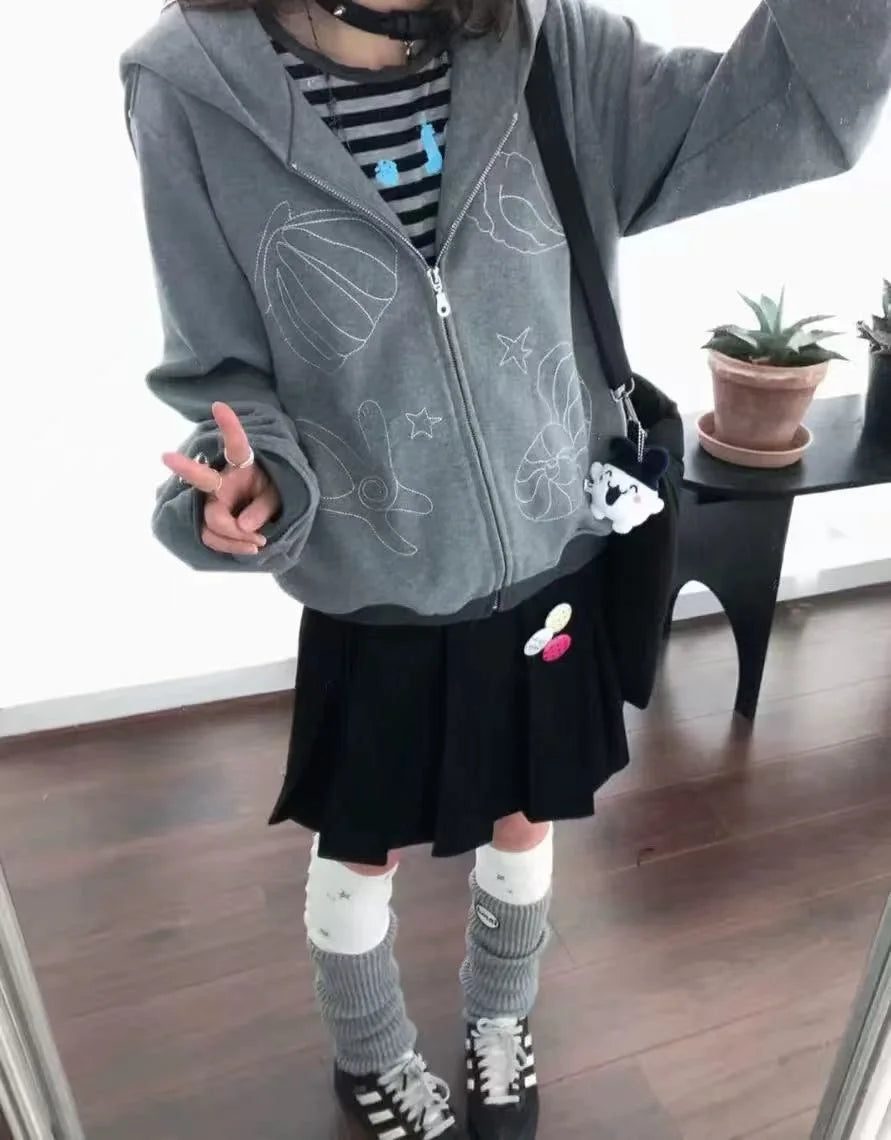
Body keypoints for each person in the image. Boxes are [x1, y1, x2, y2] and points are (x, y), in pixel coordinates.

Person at [121, 0, 890, 1135]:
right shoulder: (188, 86)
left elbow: (793, 111)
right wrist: (255, 483)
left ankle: (500, 1014)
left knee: (529, 806)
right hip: (374, 579)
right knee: (361, 839)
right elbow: (221, 366)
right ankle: (369, 1053)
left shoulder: (548, 44)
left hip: (550, 553)